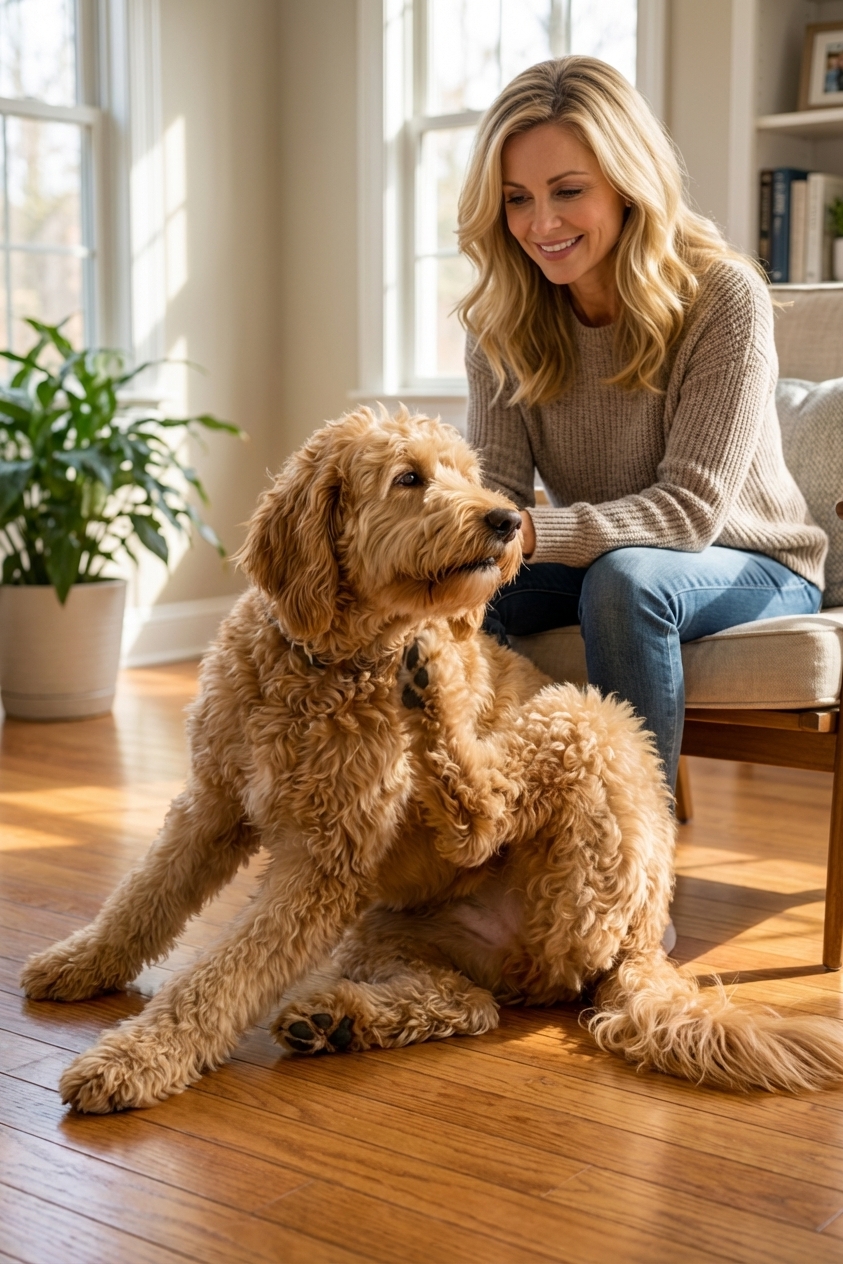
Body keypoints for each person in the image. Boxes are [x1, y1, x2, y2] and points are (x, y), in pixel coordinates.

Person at [457, 56, 827, 797]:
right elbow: (494, 490)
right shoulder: (500, 318)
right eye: (516, 199)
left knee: (626, 584)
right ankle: (487, 825)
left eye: (568, 192)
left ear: (628, 184)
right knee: (454, 590)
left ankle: (631, 863)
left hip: (752, 562)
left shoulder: (722, 295)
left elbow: (688, 512)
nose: (541, 224)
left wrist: (525, 533)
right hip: (608, 560)